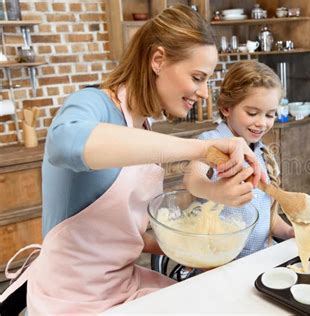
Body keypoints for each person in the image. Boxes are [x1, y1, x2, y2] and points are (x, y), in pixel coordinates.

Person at [0, 5, 263, 314]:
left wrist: (197, 244)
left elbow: (124, 237)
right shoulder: (91, 103)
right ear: (158, 60)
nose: (204, 93)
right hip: (72, 299)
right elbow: (64, 143)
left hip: (123, 285)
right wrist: (200, 150)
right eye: (197, 77)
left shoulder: (143, 126)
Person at [184, 60, 294, 259]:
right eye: (252, 113)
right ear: (226, 108)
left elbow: (266, 217)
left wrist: (288, 232)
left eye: (270, 115)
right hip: (220, 263)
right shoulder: (212, 142)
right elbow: (191, 179)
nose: (261, 123)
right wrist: (214, 191)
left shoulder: (261, 153)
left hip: (259, 259)